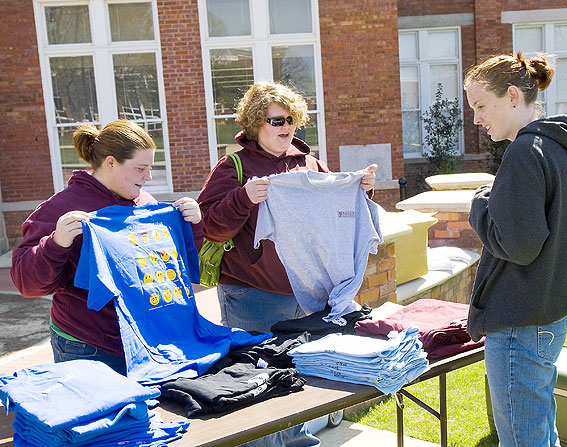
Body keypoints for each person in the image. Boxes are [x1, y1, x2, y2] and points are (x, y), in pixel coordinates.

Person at [197, 81, 377, 447]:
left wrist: (360, 189)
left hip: (307, 295)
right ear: (254, 123)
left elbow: (330, 215)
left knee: (298, 375)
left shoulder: (308, 162)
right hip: (252, 296)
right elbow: (208, 226)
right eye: (276, 120)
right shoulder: (234, 166)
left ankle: (297, 442)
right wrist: (242, 198)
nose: (286, 127)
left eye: (291, 119)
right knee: (255, 380)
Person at [10, 119, 203, 376]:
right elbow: (26, 283)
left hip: (147, 341)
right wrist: (55, 244)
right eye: (141, 168)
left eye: (151, 167)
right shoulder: (61, 208)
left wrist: (193, 226)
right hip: (88, 346)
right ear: (111, 162)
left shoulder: (144, 201)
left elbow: (168, 263)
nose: (149, 176)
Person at [463, 52, 567, 446]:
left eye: (481, 106)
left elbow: (519, 246)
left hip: (519, 322)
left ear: (512, 95)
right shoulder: (557, 148)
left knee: (521, 438)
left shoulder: (524, 152)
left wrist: (481, 204)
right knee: (540, 431)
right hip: (547, 315)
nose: (477, 119)